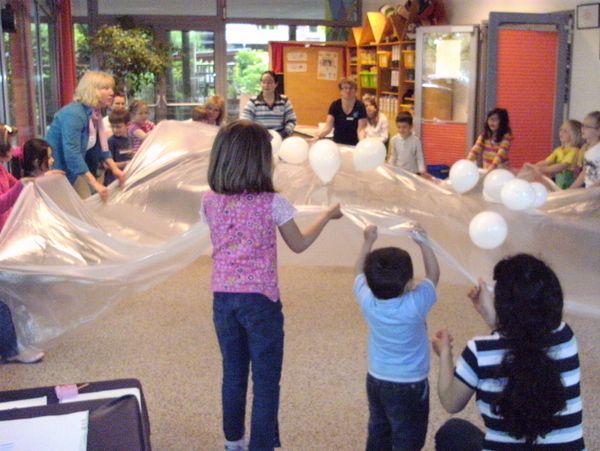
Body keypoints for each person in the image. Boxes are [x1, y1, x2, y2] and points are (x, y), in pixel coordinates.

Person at [201, 120, 343, 451]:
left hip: (223, 300)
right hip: (261, 302)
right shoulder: (272, 203)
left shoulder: (209, 200)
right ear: (260, 160)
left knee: (233, 374)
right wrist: (326, 215)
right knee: (265, 381)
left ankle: (233, 442)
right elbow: (299, 243)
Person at [432, 254, 585, 450]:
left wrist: (445, 353)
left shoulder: (479, 352)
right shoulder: (565, 337)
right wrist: (494, 318)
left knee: (453, 432)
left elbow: (450, 401)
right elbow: (522, 340)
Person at [354, 223, 440, 451]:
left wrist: (368, 241)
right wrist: (424, 243)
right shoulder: (415, 304)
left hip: (376, 378)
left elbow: (357, 273)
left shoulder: (368, 302)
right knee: (408, 436)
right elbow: (433, 275)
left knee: (379, 429)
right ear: (410, 283)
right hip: (409, 384)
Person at [45, 70, 126, 201]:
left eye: (111, 88)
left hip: (71, 173)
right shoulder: (75, 114)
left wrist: (114, 168)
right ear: (92, 90)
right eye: (106, 88)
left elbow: (101, 146)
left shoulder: (94, 113)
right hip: (57, 174)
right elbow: (72, 152)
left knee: (87, 206)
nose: (112, 92)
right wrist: (94, 183)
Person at [521, 119, 583, 189]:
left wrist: (542, 169)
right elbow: (546, 162)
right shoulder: (558, 150)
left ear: (574, 135)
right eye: (560, 130)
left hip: (570, 187)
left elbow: (563, 166)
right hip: (559, 185)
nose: (561, 132)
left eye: (565, 131)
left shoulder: (575, 151)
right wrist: (534, 166)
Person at [241, 71, 297, 138]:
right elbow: (245, 122)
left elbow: (292, 120)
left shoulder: (284, 101)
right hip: (260, 138)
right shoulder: (253, 102)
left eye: (270, 82)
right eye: (263, 82)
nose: (266, 85)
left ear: (276, 84)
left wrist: (283, 134)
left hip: (280, 137)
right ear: (260, 84)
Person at [316, 78, 367, 146]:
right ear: (340, 91)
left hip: (354, 145)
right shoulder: (335, 105)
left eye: (351, 88)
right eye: (345, 88)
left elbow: (361, 130)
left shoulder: (360, 106)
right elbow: (328, 127)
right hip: (337, 144)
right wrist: (318, 136)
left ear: (355, 91)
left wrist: (362, 144)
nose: (348, 91)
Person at [467, 107, 512, 173]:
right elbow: (474, 151)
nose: (491, 122)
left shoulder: (506, 137)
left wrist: (490, 170)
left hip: (501, 171)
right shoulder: (484, 136)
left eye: (495, 119)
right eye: (490, 119)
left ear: (502, 121)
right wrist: (467, 163)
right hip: (487, 169)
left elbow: (499, 156)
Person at [388, 112, 428, 176]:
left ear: (411, 126)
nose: (401, 130)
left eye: (404, 127)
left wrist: (422, 169)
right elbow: (393, 156)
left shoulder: (416, 141)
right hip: (398, 171)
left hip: (412, 172)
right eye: (399, 127)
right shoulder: (394, 140)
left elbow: (419, 157)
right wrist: (389, 167)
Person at [570, 111, 600, 189]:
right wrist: (570, 189)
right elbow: (585, 172)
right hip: (590, 192)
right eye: (582, 125)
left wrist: (593, 189)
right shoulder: (586, 149)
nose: (582, 128)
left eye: (587, 126)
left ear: (598, 131)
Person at [105, 108, 133, 186]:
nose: (115, 130)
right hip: (114, 180)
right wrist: (124, 164)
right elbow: (107, 165)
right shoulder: (111, 141)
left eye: (118, 127)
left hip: (128, 177)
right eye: (112, 127)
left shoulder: (131, 139)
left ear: (128, 125)